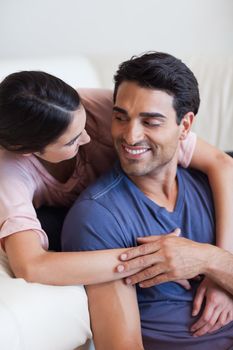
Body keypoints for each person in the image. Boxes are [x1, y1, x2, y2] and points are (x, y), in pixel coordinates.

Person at [61, 52, 233, 350]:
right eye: (120, 117)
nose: (130, 136)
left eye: (151, 121)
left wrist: (211, 261)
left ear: (186, 126)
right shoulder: (98, 217)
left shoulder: (212, 186)